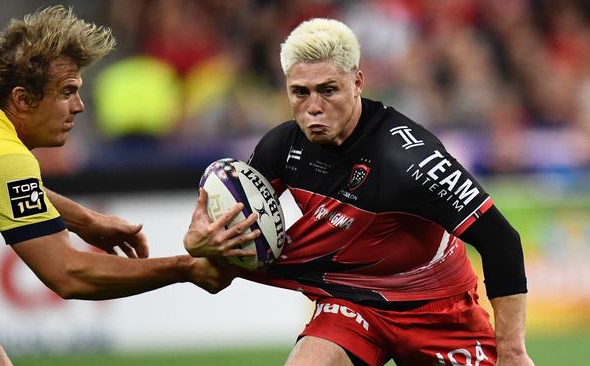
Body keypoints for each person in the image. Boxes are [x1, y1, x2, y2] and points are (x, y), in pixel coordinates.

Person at [184, 18, 534, 366]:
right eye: (300, 92)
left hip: (435, 308)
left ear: (357, 83)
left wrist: (513, 352)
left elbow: (500, 239)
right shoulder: (281, 147)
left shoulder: (408, 159)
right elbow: (238, 245)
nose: (314, 106)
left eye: (328, 90)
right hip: (351, 302)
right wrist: (203, 244)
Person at [0, 6, 257, 365]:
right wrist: (185, 268)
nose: (79, 106)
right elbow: (69, 274)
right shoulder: (2, 158)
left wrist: (84, 220)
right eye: (66, 92)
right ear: (22, 98)